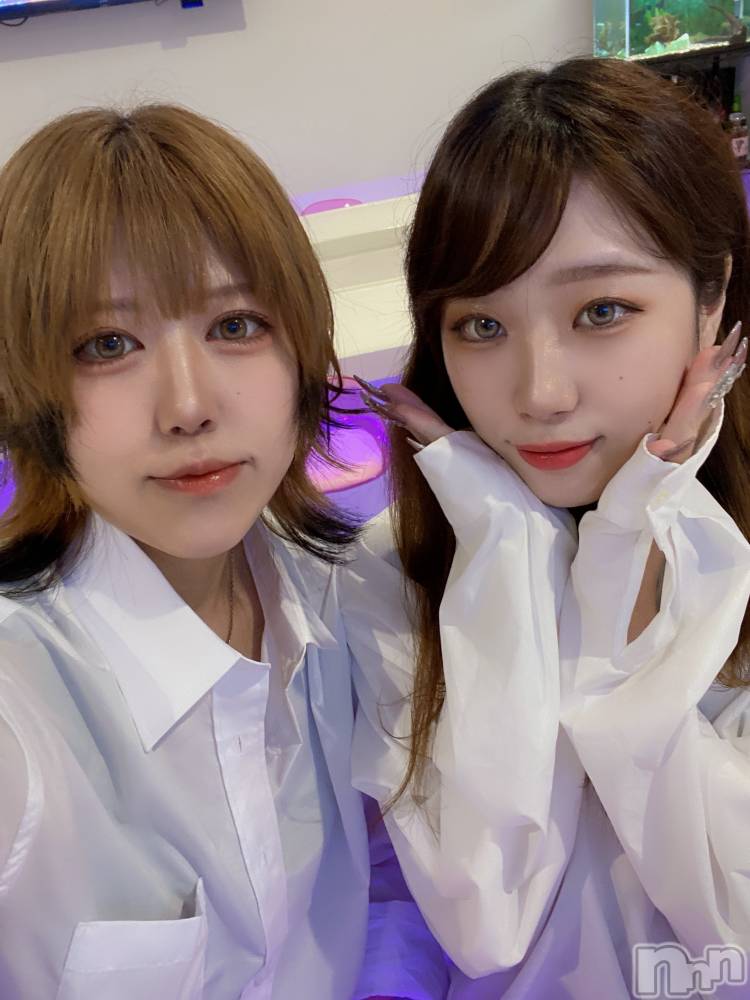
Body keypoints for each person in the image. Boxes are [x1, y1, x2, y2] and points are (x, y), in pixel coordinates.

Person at [0, 105, 447, 1000]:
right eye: (108, 344)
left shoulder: (347, 601)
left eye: (237, 325)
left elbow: (387, 881)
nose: (189, 406)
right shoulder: (21, 710)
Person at [344, 56, 750, 998]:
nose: (540, 394)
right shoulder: (392, 569)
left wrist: (628, 542)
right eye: (482, 326)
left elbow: (731, 920)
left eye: (602, 310)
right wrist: (506, 552)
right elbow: (488, 917)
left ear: (713, 299)